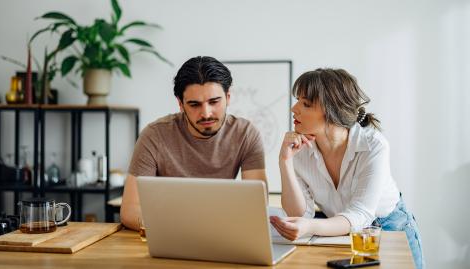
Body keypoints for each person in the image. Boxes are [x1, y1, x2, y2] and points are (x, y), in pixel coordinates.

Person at [269, 68, 424, 269]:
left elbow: (360, 214)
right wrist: (285, 161)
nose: (294, 108)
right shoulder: (301, 149)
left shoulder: (373, 145)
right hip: (340, 231)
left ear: (333, 111)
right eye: (297, 100)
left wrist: (310, 226)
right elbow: (299, 214)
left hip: (389, 229)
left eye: (305, 104)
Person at [121, 56, 267, 231]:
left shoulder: (245, 134)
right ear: (180, 104)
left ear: (228, 97)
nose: (206, 113)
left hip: (220, 233)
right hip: (169, 233)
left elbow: (256, 207)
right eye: (194, 104)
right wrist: (185, 227)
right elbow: (129, 210)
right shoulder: (154, 135)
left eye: (214, 102)